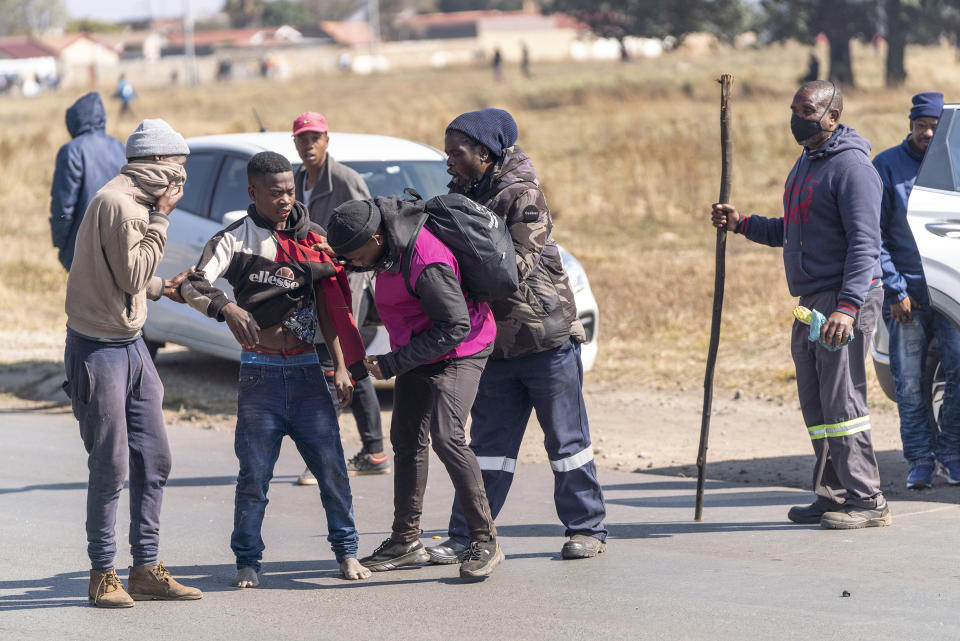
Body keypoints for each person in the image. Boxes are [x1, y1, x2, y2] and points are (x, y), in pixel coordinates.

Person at [179, 152, 372, 588]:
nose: (286, 199)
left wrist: (342, 367)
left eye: (291, 190)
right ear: (252, 193)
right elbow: (193, 282)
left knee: (332, 471)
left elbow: (332, 309)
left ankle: (347, 552)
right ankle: (247, 561)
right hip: (259, 374)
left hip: (308, 370)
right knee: (253, 478)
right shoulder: (234, 239)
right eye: (275, 192)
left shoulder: (318, 239)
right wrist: (225, 306)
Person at [427, 108, 608, 564]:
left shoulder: (523, 196)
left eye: (457, 152)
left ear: (484, 153)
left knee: (567, 444)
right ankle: (469, 534)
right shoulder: (459, 197)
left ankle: (587, 528)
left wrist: (454, 277)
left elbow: (513, 269)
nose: (449, 161)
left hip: (544, 340)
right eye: (447, 152)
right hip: (496, 347)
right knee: (487, 450)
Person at [711, 81, 889, 529]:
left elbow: (866, 245)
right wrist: (744, 224)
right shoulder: (808, 162)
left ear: (832, 116)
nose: (797, 116)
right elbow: (794, 230)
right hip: (812, 301)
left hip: (843, 299)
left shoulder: (853, 168)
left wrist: (846, 309)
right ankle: (833, 493)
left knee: (843, 402)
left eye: (806, 110)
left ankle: (868, 500)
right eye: (793, 108)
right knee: (817, 403)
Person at [326, 197, 503, 579]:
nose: (353, 264)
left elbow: (454, 326)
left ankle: (485, 540)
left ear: (375, 237)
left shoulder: (425, 260)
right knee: (406, 438)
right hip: (421, 346)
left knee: (447, 435)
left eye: (355, 255)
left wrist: (391, 363)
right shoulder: (384, 248)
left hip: (462, 347)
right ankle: (405, 541)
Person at [63, 119, 201, 608]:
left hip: (131, 343)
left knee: (155, 457)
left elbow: (130, 278)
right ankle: (103, 572)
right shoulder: (123, 205)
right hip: (98, 350)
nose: (182, 183)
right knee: (111, 464)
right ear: (158, 164)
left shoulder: (133, 200)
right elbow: (133, 269)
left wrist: (166, 289)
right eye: (179, 170)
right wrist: (163, 218)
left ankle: (145, 567)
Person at [291, 111, 387, 481]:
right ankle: (375, 450)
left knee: (333, 362)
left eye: (314, 137)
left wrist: (338, 253)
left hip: (348, 283)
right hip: (310, 284)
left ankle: (322, 460)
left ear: (327, 140)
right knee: (350, 363)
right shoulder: (296, 180)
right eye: (302, 138)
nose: (308, 144)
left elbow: (371, 228)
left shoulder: (345, 180)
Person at [873, 91, 960, 489]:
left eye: (934, 126)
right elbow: (874, 236)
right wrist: (894, 290)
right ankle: (920, 460)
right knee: (909, 382)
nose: (927, 132)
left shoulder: (955, 164)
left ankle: (951, 455)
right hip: (907, 294)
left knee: (957, 374)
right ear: (910, 125)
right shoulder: (887, 166)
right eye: (921, 125)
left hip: (951, 293)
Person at [50, 92, 127, 271]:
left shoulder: (72, 150)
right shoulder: (119, 146)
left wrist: (61, 243)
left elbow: (63, 205)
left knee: (85, 298)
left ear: (74, 120)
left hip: (84, 245)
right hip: (120, 242)